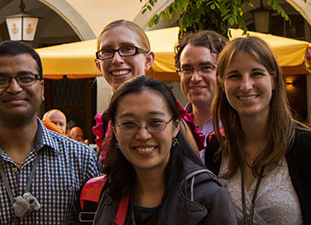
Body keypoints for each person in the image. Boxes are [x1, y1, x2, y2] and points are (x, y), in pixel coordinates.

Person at [0, 40, 100, 224]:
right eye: (0, 80)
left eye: (26, 78)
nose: (14, 88)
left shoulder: (82, 159)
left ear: (42, 88)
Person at [211, 36, 311, 225]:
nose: (246, 85)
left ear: (273, 81)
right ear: (222, 84)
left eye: (256, 73)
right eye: (234, 75)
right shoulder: (218, 149)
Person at [90, 76, 236, 224]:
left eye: (155, 122)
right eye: (129, 124)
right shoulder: (112, 192)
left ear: (176, 127)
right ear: (114, 130)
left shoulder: (207, 196)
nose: (143, 135)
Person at [92, 19, 203, 163]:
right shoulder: (107, 120)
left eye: (127, 49)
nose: (117, 59)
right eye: (107, 51)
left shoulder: (168, 114)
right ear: (98, 65)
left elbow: (191, 174)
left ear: (148, 60)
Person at [174, 30, 228, 159]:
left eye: (206, 68)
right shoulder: (172, 125)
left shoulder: (238, 125)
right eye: (187, 69)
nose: (195, 78)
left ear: (223, 72)